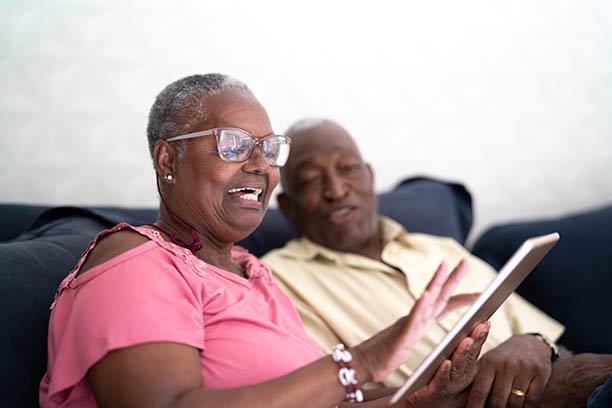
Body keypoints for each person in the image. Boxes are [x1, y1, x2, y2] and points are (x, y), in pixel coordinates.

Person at [39, 74, 491, 408]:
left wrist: (425, 397)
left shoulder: (253, 273)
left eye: (269, 148)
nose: (260, 164)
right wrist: (360, 361)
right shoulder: (136, 262)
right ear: (167, 159)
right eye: (233, 144)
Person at [263, 118, 612, 407]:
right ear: (289, 207)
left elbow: (558, 344)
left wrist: (534, 342)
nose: (336, 190)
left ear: (369, 178)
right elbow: (323, 399)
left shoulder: (441, 248)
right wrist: (489, 386)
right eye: (310, 180)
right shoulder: (278, 280)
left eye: (348, 169)